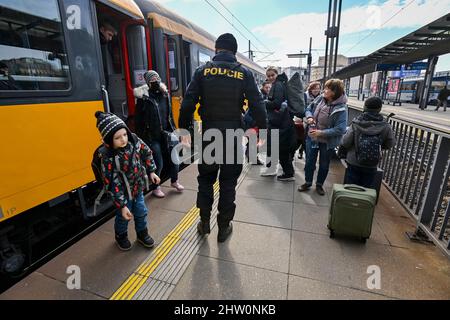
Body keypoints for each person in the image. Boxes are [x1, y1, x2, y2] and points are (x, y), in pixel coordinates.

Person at [179, 33, 267, 243]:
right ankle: (224, 227)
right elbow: (258, 104)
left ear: (216, 49)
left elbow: (187, 104)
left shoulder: (202, 71)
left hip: (209, 135)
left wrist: (184, 131)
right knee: (228, 183)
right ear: (234, 52)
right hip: (233, 136)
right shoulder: (243, 73)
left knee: (206, 180)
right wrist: (261, 130)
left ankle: (204, 223)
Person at [95, 111, 160, 251]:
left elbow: (147, 152)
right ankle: (121, 236)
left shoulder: (134, 141)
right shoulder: (108, 157)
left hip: (138, 189)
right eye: (117, 138)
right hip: (123, 195)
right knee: (123, 217)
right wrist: (122, 204)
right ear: (108, 140)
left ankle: (142, 233)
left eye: (124, 134)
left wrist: (152, 171)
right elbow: (112, 182)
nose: (123, 139)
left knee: (141, 212)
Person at [134, 70, 184, 198]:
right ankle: (156, 187)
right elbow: (138, 120)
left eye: (156, 78)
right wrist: (140, 139)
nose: (154, 80)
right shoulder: (143, 98)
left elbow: (170, 116)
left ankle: (175, 181)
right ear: (147, 82)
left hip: (166, 133)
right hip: (151, 136)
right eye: (151, 79)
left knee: (175, 158)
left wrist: (174, 131)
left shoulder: (165, 95)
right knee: (158, 162)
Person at [298, 79, 348, 196]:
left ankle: (319, 185)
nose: (324, 90)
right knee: (310, 161)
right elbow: (308, 109)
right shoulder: (320, 99)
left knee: (324, 164)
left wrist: (321, 133)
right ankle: (308, 182)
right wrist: (309, 117)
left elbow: (340, 129)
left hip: (327, 141)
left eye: (327, 88)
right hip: (313, 137)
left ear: (335, 92)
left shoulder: (342, 108)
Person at [341, 97, 395, 188]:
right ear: (379, 109)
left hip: (353, 161)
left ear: (365, 107)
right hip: (372, 162)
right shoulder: (385, 126)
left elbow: (346, 142)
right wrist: (379, 146)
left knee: (349, 188)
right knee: (365, 189)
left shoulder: (356, 122)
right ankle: (362, 202)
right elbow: (390, 143)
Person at [261, 67, 298, 181]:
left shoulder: (278, 85)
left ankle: (287, 173)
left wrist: (264, 102)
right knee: (277, 148)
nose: (271, 77)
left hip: (279, 123)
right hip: (281, 122)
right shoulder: (280, 83)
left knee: (279, 148)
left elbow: (276, 103)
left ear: (277, 74)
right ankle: (280, 171)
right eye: (269, 76)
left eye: (272, 75)